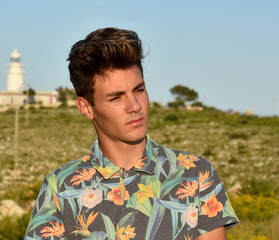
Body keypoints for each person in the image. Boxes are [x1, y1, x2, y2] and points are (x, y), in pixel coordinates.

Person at [25, 27, 238, 240]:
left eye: (138, 90)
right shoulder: (59, 188)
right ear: (86, 108)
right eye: (116, 98)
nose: (135, 105)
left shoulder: (196, 175)